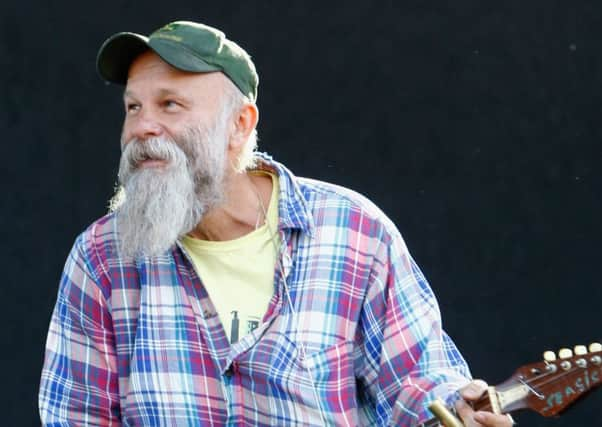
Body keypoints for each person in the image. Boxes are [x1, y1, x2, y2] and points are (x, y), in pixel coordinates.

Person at [39, 21, 513, 426]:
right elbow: (75, 416)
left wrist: (458, 407)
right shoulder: (103, 257)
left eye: (170, 105)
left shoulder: (351, 232)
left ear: (240, 125)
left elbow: (416, 381)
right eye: (133, 107)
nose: (142, 127)